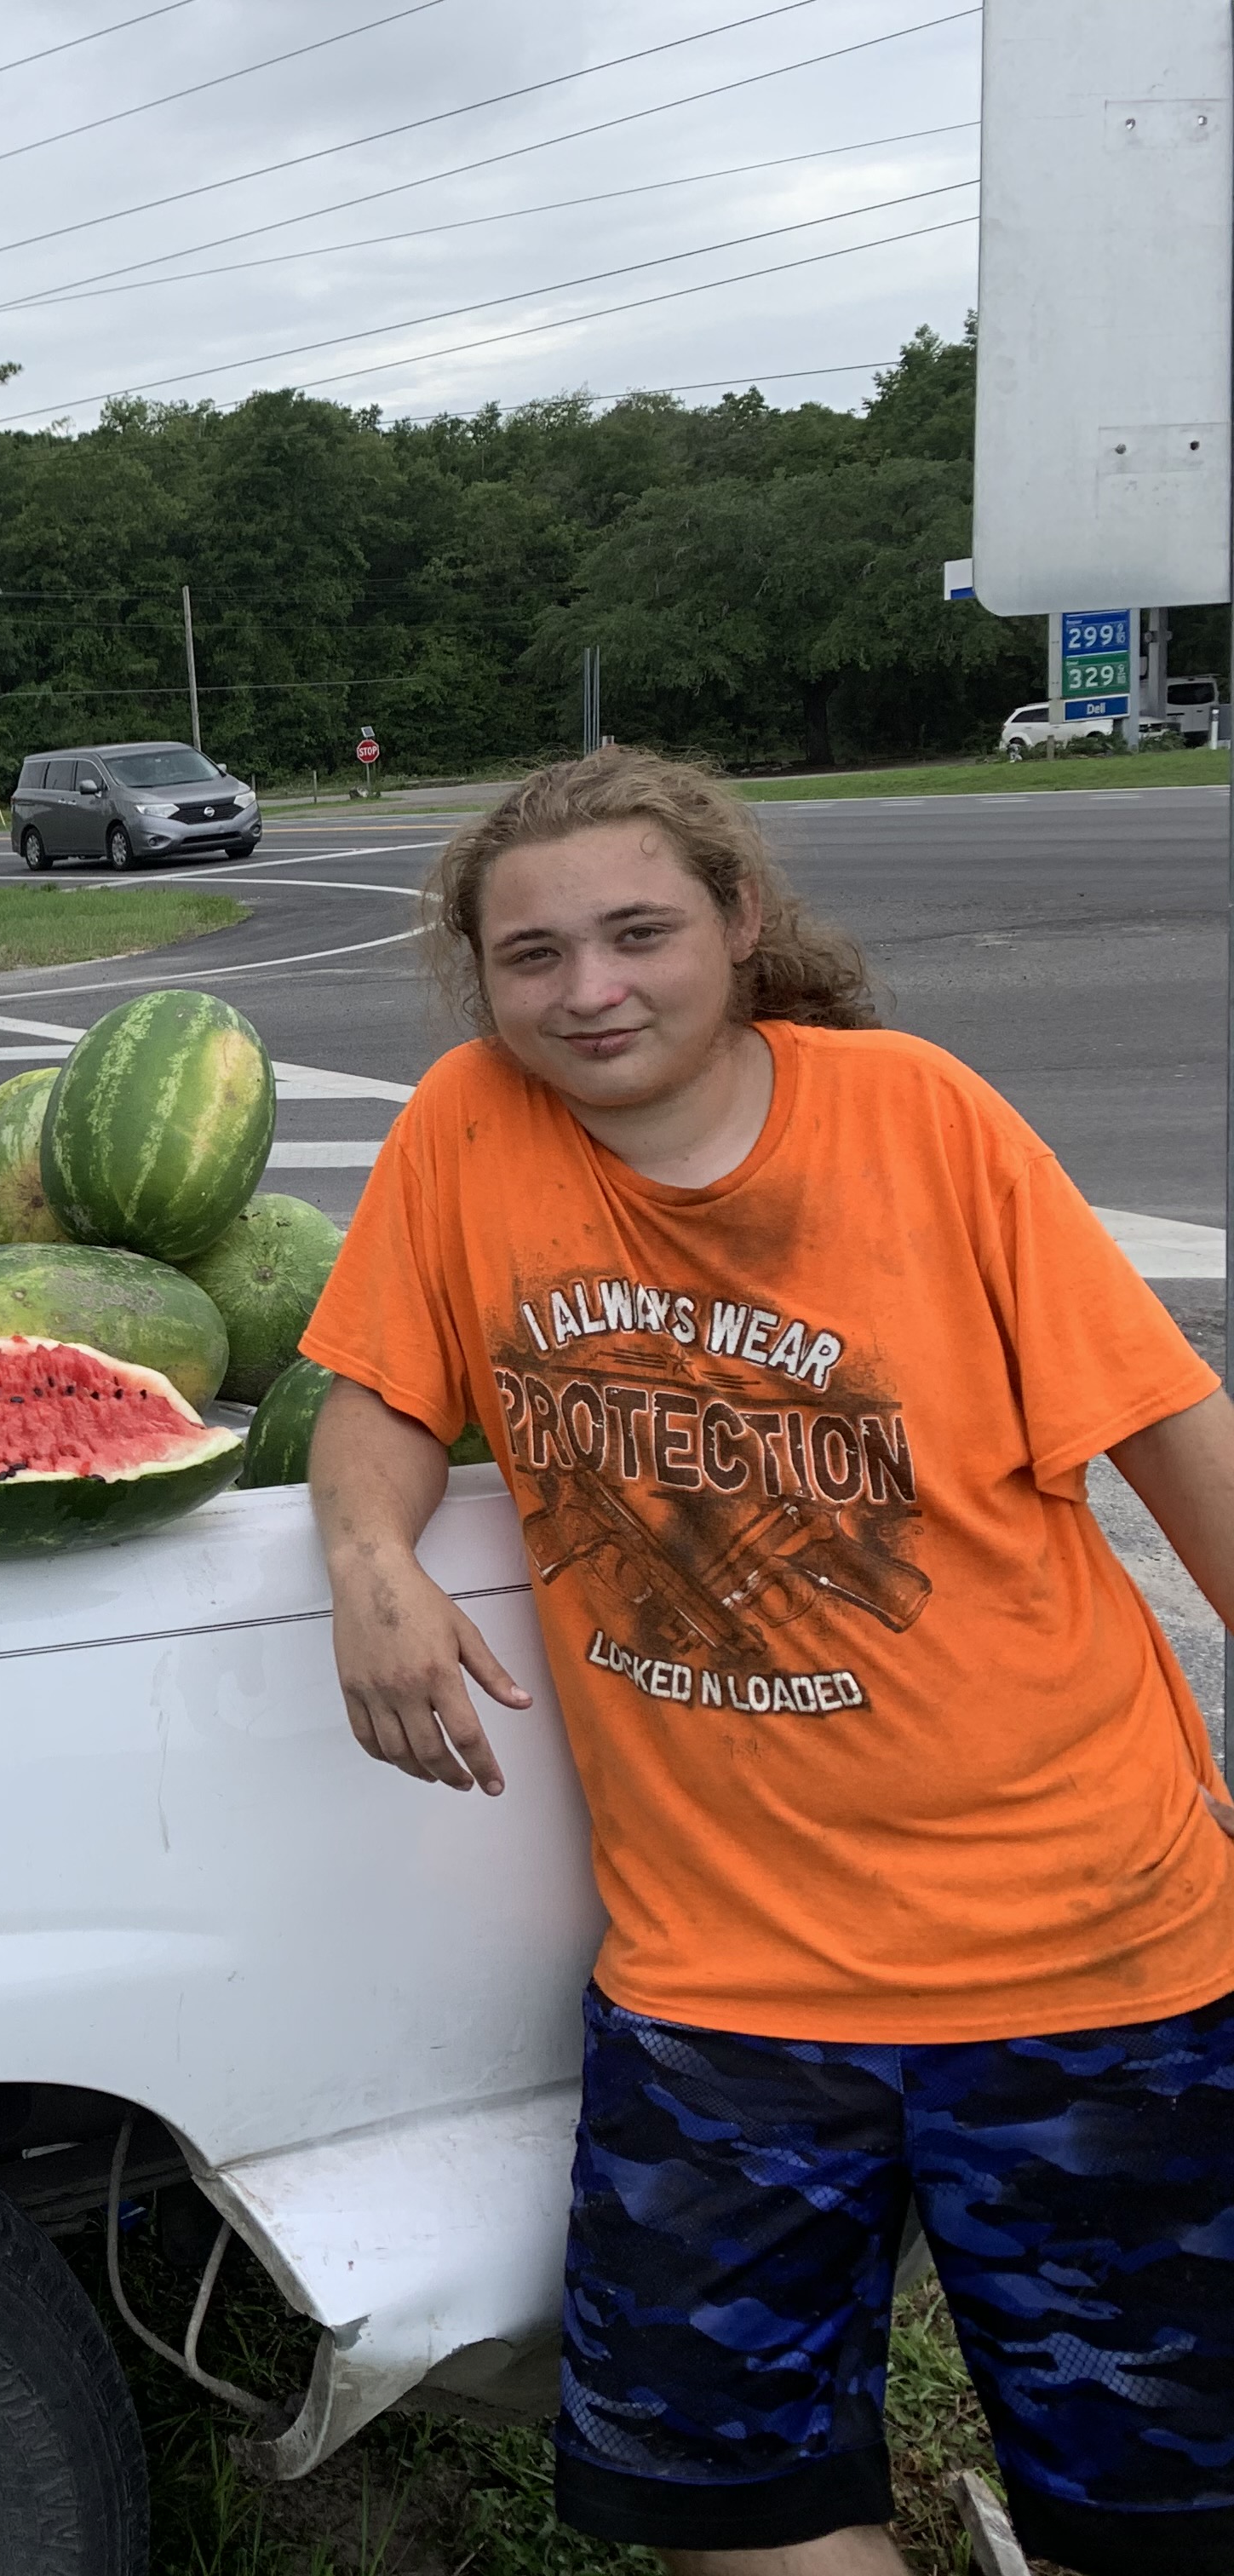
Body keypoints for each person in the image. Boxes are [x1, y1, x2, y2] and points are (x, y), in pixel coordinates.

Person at [301, 749, 1234, 2576]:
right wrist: (367, 1554)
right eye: (534, 955)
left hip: (1085, 1945)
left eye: (639, 933)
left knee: (1161, 2514)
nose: (590, 991)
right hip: (723, 1983)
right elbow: (381, 1396)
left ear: (738, 927)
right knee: (717, 2501)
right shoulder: (465, 1133)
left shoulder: (917, 1116)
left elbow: (1170, 1431)